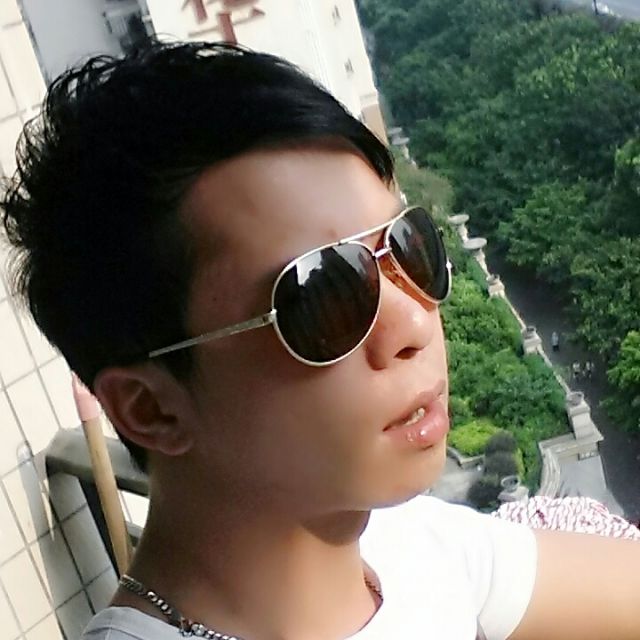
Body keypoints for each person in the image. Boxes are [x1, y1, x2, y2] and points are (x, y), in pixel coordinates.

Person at [2, 41, 639, 640]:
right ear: (152, 408)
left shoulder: (411, 547)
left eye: (410, 248)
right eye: (321, 294)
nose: (414, 325)